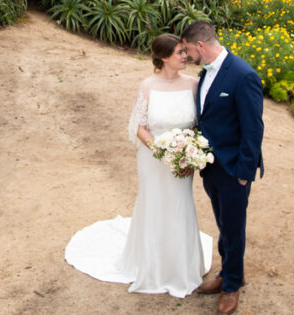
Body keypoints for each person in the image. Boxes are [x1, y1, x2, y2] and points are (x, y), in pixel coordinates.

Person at [64, 33, 212, 298]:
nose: (185, 56)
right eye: (179, 52)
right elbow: (139, 128)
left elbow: (199, 125)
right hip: (154, 160)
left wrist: (188, 153)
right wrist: (162, 152)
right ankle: (151, 265)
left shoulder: (193, 84)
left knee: (180, 205)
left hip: (183, 161)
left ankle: (181, 266)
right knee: (154, 204)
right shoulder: (147, 86)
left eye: (185, 51)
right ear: (164, 58)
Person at [182, 20, 264, 315]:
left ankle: (231, 285)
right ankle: (229, 273)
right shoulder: (206, 74)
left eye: (189, 50)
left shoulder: (243, 75)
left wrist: (244, 173)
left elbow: (253, 129)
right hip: (211, 166)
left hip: (233, 170)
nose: (188, 56)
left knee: (234, 227)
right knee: (223, 224)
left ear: (201, 46)